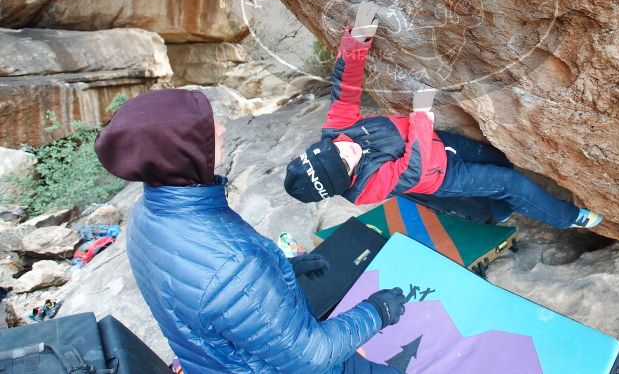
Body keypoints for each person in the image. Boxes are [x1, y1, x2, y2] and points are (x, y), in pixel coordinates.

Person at [95, 88, 405, 374]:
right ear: (179, 151)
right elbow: (313, 356)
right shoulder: (233, 267)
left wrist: (279, 270)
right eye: (206, 129)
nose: (222, 128)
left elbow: (201, 294)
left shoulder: (146, 215)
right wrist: (377, 311)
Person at [284, 8, 603, 230]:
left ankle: (502, 210)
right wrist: (421, 115)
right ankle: (567, 217)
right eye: (345, 162)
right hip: (439, 175)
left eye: (337, 148)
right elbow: (415, 168)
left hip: (440, 143)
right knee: (510, 183)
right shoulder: (366, 188)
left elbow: (346, 88)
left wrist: (356, 41)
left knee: (497, 160)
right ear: (345, 181)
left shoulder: (338, 132)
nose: (347, 149)